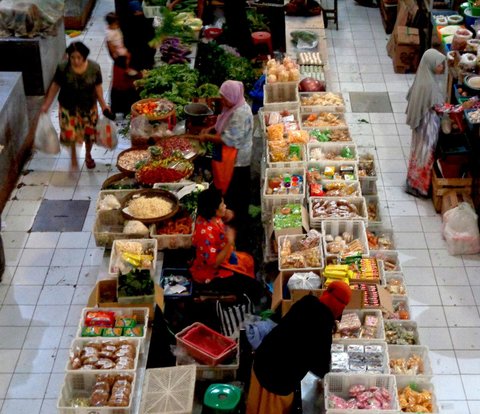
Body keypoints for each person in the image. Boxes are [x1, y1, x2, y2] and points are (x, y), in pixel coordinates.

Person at [247, 281, 352, 414]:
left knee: (256, 404)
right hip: (278, 379)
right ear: (340, 308)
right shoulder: (324, 328)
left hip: (263, 358)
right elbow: (320, 367)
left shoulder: (307, 301)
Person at [40, 41, 111, 171]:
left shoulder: (94, 68)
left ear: (84, 56)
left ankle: (88, 155)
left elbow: (98, 87)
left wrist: (103, 105)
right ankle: (73, 156)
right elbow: (55, 86)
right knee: (70, 134)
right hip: (68, 108)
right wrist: (47, 104)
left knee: (89, 135)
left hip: (89, 108)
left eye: (78, 57)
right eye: (72, 57)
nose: (75, 61)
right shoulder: (62, 68)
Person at [190, 186, 264, 303]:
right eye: (222, 205)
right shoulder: (204, 234)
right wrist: (229, 243)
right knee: (253, 287)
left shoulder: (211, 216)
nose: (225, 206)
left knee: (251, 261)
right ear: (214, 210)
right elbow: (214, 263)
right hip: (212, 271)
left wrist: (225, 215)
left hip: (225, 255)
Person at [198, 80, 254, 231]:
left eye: (224, 97)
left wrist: (207, 137)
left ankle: (235, 224)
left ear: (233, 96)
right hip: (227, 155)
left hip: (237, 161)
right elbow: (222, 123)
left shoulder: (240, 113)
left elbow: (228, 139)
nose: (222, 100)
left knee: (234, 190)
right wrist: (211, 129)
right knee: (229, 189)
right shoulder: (233, 106)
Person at [405, 48, 447, 197]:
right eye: (440, 65)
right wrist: (462, 107)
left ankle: (412, 184)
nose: (442, 67)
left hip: (421, 126)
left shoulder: (422, 77)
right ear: (431, 64)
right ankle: (421, 189)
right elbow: (439, 107)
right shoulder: (429, 86)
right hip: (427, 126)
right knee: (425, 154)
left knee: (418, 153)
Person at [105, 12, 137, 77]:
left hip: (121, 46)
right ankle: (126, 69)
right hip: (117, 48)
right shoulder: (110, 33)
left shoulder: (115, 28)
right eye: (116, 24)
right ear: (111, 24)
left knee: (127, 56)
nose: (118, 25)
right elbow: (109, 44)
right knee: (128, 56)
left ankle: (125, 68)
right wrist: (114, 52)